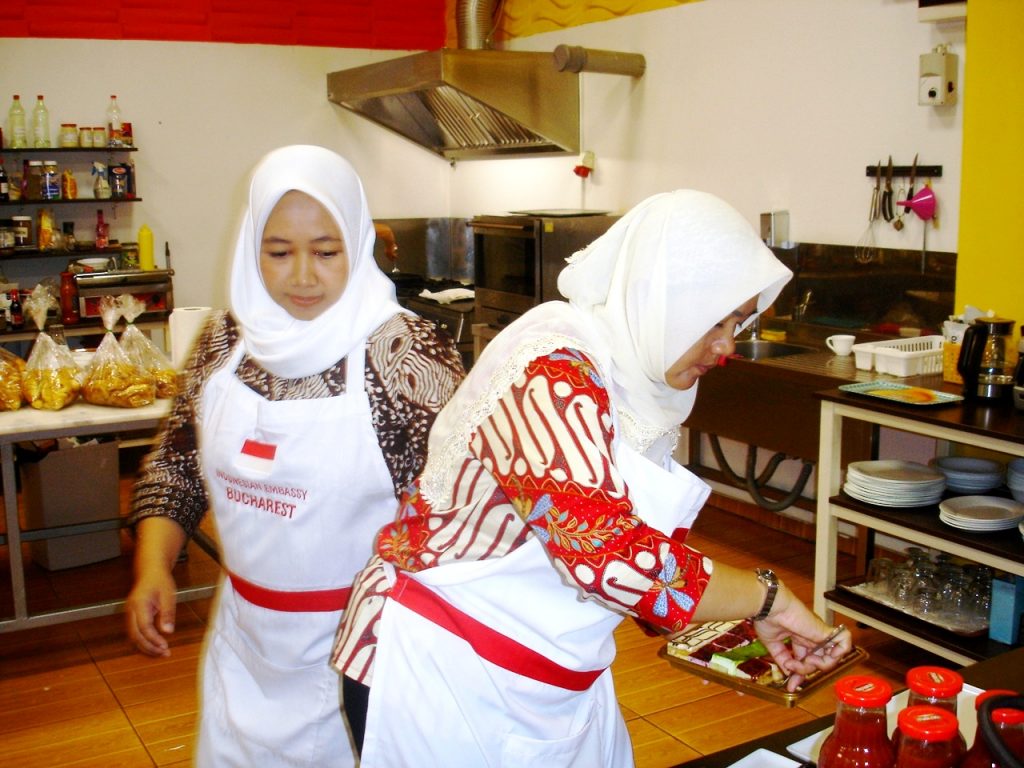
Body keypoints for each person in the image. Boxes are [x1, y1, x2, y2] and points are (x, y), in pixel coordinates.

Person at [331, 189, 853, 766]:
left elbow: (634, 551)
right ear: (665, 298)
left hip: (550, 673)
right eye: (716, 320)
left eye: (740, 321)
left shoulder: (637, 383)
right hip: (440, 669)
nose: (728, 344)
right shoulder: (552, 367)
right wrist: (768, 598)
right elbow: (609, 555)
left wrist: (741, 615)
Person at [125, 145, 465, 767]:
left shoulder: (403, 353)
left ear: (358, 244)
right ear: (251, 248)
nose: (303, 276)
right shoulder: (225, 341)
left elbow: (460, 512)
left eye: (326, 252)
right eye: (279, 252)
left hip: (369, 649)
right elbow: (176, 467)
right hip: (246, 646)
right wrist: (155, 568)